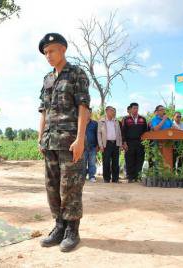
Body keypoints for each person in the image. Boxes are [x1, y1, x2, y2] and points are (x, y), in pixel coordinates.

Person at [37, 33, 90, 252]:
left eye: (52, 51)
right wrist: (40, 137)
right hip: (50, 142)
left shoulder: (77, 74)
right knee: (52, 186)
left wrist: (80, 139)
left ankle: (72, 230)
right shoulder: (47, 79)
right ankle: (59, 226)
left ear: (63, 50)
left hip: (69, 141)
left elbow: (83, 107)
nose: (48, 55)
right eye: (45, 52)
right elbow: (43, 110)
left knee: (71, 187)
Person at [121, 103, 148, 182]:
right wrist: (124, 142)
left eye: (137, 108)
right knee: (129, 159)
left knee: (140, 159)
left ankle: (137, 177)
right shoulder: (126, 119)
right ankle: (130, 177)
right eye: (134, 108)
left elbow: (145, 132)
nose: (136, 110)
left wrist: (145, 142)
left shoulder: (142, 119)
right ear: (131, 109)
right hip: (129, 142)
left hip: (140, 142)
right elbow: (123, 131)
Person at [97, 106, 122, 183]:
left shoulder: (116, 121)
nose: (113, 112)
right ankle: (106, 179)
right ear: (107, 111)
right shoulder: (101, 121)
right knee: (106, 161)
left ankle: (115, 179)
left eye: (113, 111)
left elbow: (119, 133)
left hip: (115, 143)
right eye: (111, 111)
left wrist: (120, 144)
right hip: (106, 144)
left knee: (116, 162)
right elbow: (99, 134)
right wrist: (101, 145)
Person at [84, 108, 98, 183]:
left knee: (92, 162)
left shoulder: (95, 123)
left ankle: (92, 176)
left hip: (92, 146)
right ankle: (83, 176)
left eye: (89, 113)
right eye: (86, 113)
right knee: (83, 162)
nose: (87, 114)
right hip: (82, 147)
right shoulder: (80, 123)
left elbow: (97, 135)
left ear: (91, 114)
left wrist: (98, 145)